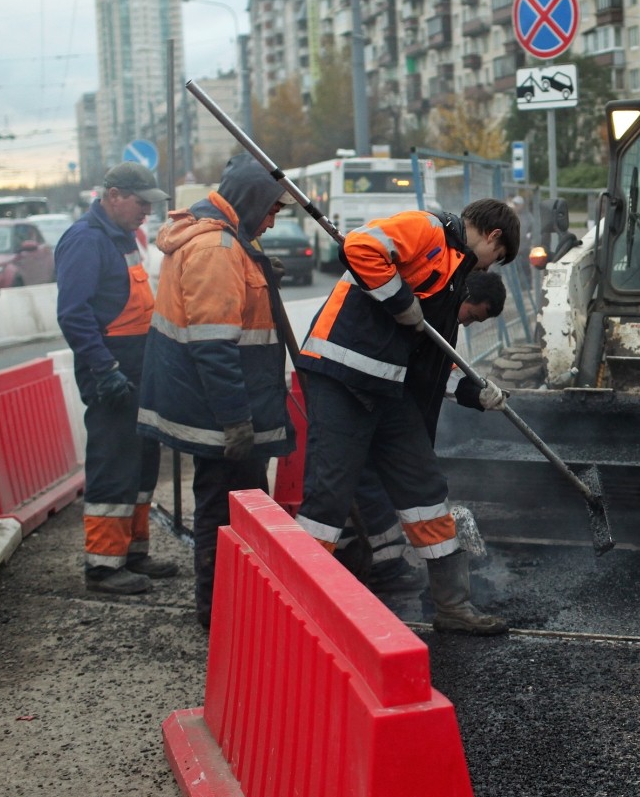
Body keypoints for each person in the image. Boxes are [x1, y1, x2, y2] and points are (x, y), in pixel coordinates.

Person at [292, 199, 519, 635]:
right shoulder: (429, 228)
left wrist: (474, 390)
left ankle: (452, 605)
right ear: (494, 237)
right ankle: (299, 605)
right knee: (329, 496)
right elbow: (360, 246)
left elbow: (433, 358)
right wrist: (399, 301)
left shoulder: (455, 274)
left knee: (425, 488)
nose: (492, 266)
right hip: (342, 374)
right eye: (499, 257)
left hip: (387, 385)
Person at [137, 156, 295, 629]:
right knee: (227, 514)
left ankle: (230, 606)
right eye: (270, 210)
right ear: (250, 202)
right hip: (222, 413)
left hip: (219, 407)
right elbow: (214, 346)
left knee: (228, 509)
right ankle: (223, 614)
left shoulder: (228, 243)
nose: (271, 220)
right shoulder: (217, 249)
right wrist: (236, 421)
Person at [338, 269, 510, 594]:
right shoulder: (425, 309)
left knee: (372, 484)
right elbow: (429, 369)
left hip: (378, 405)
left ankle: (373, 562)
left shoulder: (440, 317)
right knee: (371, 482)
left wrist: (478, 392)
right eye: (471, 316)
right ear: (466, 297)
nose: (466, 324)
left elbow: (440, 372)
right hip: (364, 400)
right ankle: (381, 567)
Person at [55, 162, 176, 595]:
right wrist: (104, 369)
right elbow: (73, 314)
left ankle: (133, 553)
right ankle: (104, 566)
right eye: (141, 202)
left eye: (150, 203)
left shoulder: (121, 237)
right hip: (111, 370)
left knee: (142, 463)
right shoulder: (86, 241)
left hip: (137, 366)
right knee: (114, 464)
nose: (147, 211)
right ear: (113, 196)